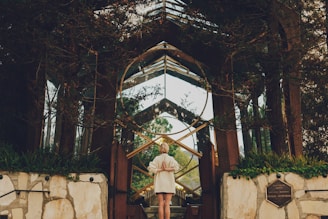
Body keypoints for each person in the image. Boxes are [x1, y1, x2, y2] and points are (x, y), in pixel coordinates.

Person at [147, 142, 180, 219]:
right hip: (169, 183)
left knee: (161, 204)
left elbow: (150, 168)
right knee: (167, 204)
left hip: (160, 183)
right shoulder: (171, 159)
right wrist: (167, 169)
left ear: (160, 149)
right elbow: (176, 168)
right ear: (167, 149)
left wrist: (161, 169)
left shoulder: (157, 158)